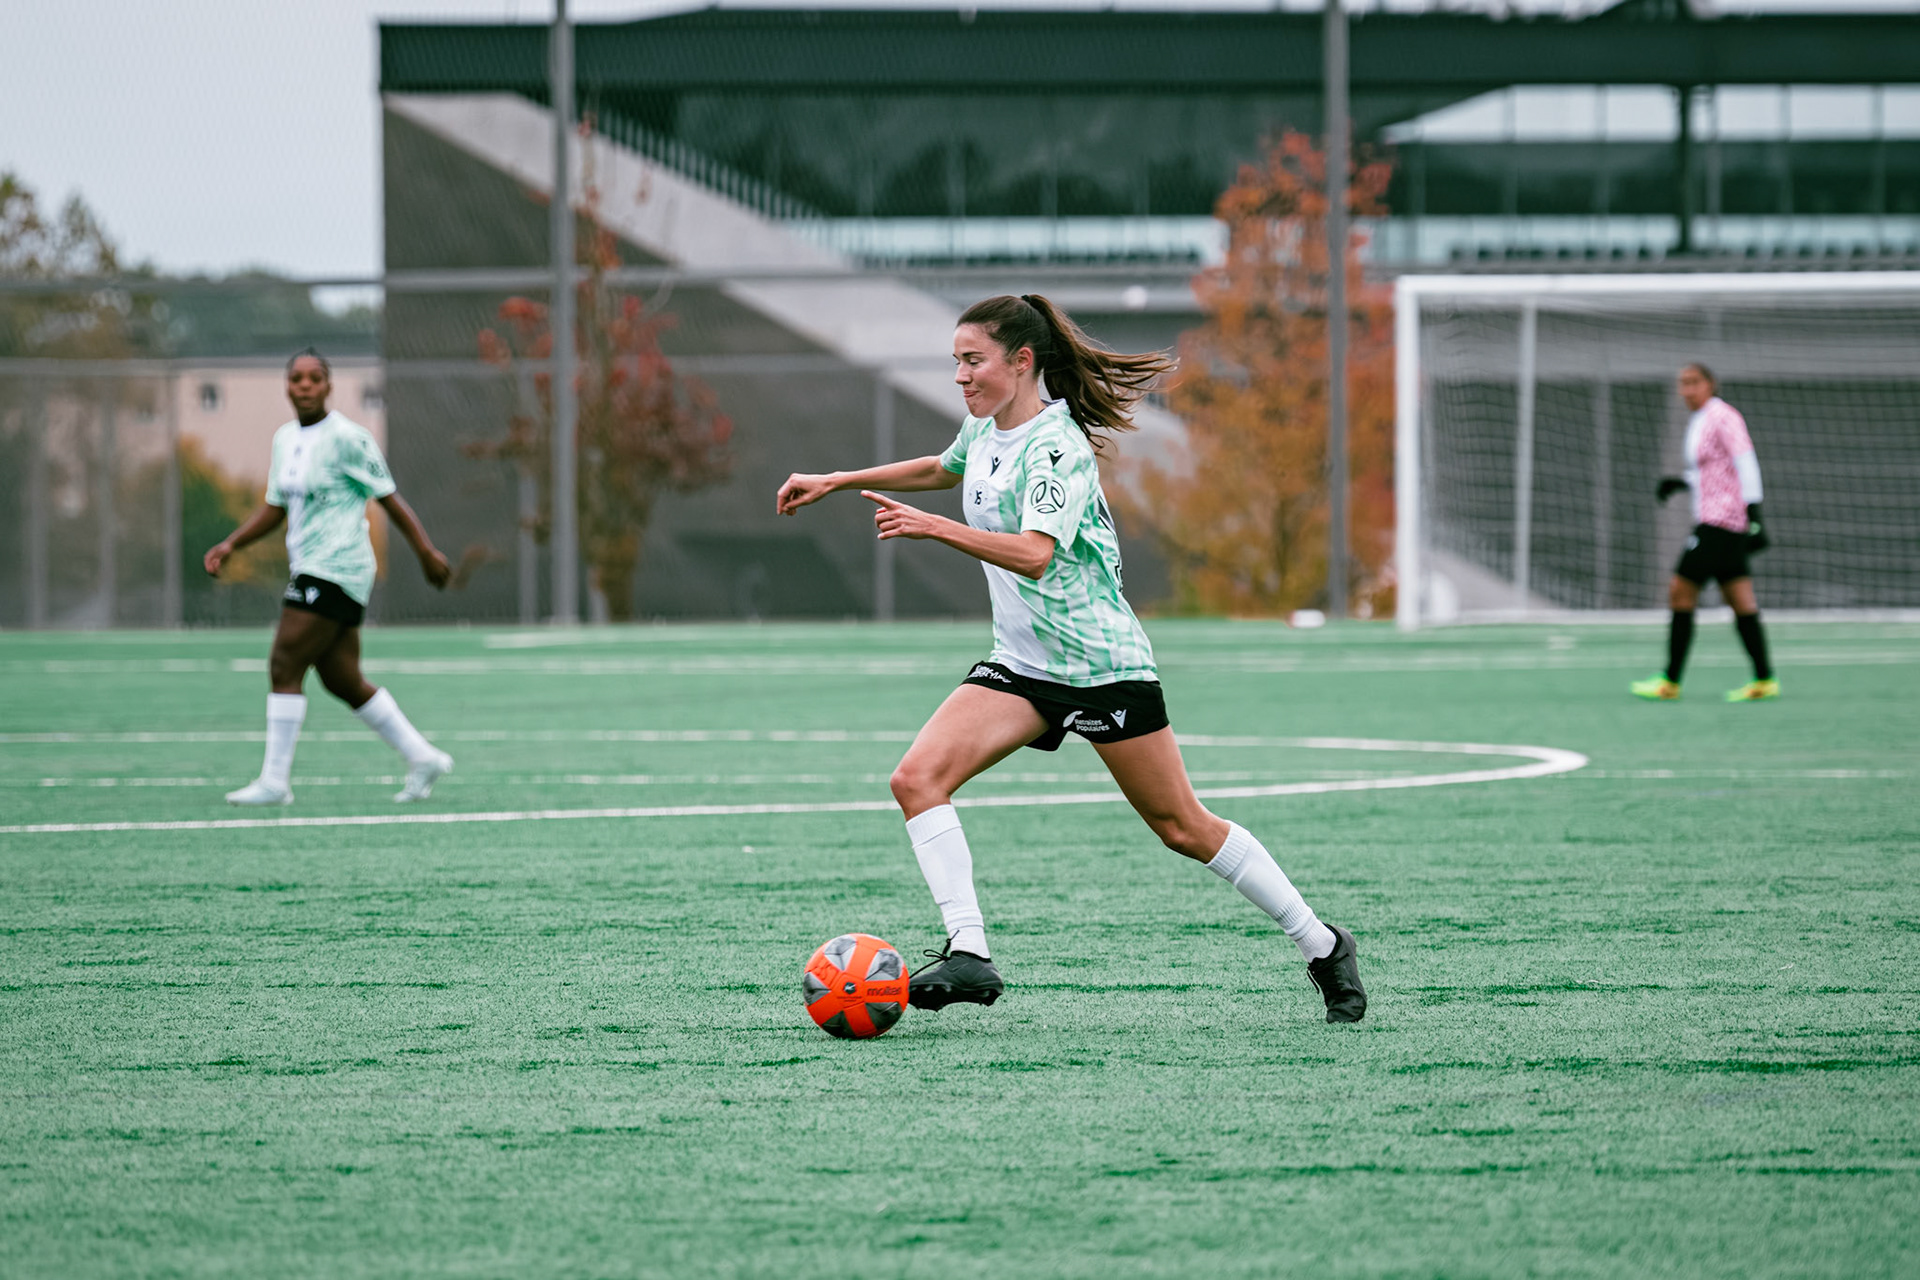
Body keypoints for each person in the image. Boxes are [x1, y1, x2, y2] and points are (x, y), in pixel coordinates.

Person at [776, 294, 1366, 1023]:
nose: (959, 376)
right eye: (955, 361)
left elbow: (1034, 553)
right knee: (917, 778)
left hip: (1100, 667)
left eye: (973, 361)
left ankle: (1322, 944)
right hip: (1024, 665)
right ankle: (970, 952)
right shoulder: (987, 428)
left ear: (1022, 362)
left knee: (1182, 827)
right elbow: (944, 465)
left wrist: (933, 530)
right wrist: (835, 480)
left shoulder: (1058, 448)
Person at [204, 348, 456, 806]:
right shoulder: (284, 439)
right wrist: (231, 544)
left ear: (328, 386)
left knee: (284, 663)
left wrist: (425, 552)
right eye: (295, 378)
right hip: (310, 565)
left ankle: (274, 783)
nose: (303, 385)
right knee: (342, 678)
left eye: (313, 378)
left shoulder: (348, 438)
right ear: (287, 386)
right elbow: (276, 507)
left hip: (338, 565)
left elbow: (389, 498)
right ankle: (423, 757)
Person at [1632, 363, 1776, 703]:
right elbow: (1714, 470)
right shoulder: (1700, 420)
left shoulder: (1723, 416)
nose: (1687, 390)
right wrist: (1682, 482)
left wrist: (1755, 515)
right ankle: (1765, 678)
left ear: (1711, 384)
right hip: (1721, 521)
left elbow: (1745, 463)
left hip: (1721, 522)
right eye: (1682, 383)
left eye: (1694, 382)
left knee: (1680, 590)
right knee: (1741, 599)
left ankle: (1670, 679)